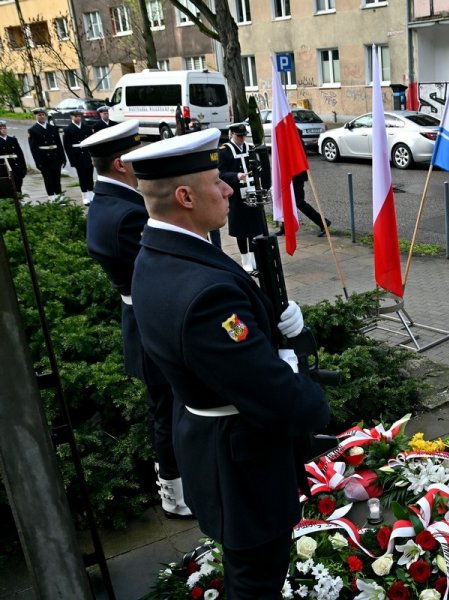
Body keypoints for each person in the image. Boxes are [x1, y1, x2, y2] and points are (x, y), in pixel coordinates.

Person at [122, 129, 330, 599]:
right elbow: (275, 395)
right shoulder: (204, 294)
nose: (229, 189)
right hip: (242, 467)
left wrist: (273, 333)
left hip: (210, 443)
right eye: (217, 180)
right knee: (255, 579)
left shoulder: (157, 252)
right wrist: (306, 389)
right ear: (185, 196)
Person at [81, 120, 193, 519]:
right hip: (153, 322)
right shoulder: (127, 214)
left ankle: (177, 489)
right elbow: (161, 269)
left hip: (142, 318)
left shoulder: (108, 203)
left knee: (166, 407)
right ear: (119, 164)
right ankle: (177, 496)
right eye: (134, 157)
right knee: (169, 410)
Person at [218, 122, 268, 273]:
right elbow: (220, 173)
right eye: (238, 136)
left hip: (252, 191)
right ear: (231, 135)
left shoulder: (250, 148)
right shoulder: (224, 151)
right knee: (240, 228)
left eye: (243, 136)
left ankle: (253, 258)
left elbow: (257, 165)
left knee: (253, 227)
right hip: (235, 194)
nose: (241, 139)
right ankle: (245, 259)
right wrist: (236, 176)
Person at [28, 107, 66, 200]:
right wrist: (38, 162)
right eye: (39, 115)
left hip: (55, 157)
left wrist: (63, 157)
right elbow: (34, 149)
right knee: (48, 179)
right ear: (35, 117)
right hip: (44, 158)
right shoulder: (33, 130)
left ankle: (59, 197)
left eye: (43, 115)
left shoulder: (53, 128)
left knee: (57, 178)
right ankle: (52, 198)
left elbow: (59, 144)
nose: (42, 117)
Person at [62, 110, 96, 205]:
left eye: (79, 116)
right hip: (77, 155)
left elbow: (91, 142)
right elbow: (67, 147)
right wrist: (72, 160)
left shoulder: (87, 128)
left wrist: (93, 155)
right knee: (82, 177)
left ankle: (91, 194)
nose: (77, 118)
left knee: (89, 175)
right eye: (75, 116)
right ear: (71, 117)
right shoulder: (68, 129)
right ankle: (85, 196)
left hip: (87, 155)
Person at [0, 120, 27, 193]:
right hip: (4, 168)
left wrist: (24, 168)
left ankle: (19, 202)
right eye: (1, 128)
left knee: (18, 186)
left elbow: (20, 154)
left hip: (16, 167)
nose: (3, 130)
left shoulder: (13, 140)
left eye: (4, 128)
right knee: (7, 188)